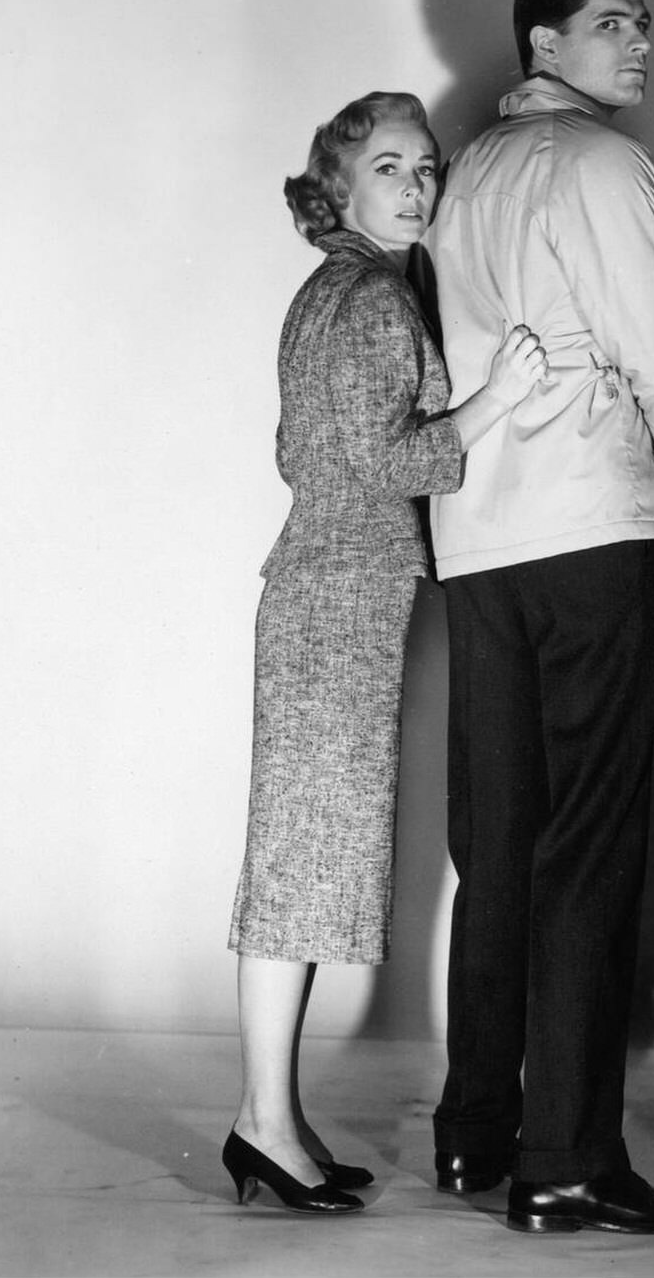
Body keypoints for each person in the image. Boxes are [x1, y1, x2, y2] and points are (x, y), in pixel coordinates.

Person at [427, 0, 654, 1235]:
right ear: (544, 43)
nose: (641, 44)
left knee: (494, 843)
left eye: (645, 23)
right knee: (590, 850)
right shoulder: (604, 168)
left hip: (479, 541)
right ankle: (566, 1161)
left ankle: (472, 1135)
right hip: (588, 529)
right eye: (612, 25)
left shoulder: (467, 174)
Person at [225, 91, 548, 1214]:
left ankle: (276, 1120)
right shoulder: (368, 298)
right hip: (338, 606)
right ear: (340, 189)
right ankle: (264, 1123)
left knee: (297, 868)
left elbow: (292, 450)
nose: (415, 187)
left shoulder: (330, 294)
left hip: (324, 598)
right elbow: (384, 464)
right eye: (390, 169)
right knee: (298, 872)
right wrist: (498, 398)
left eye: (425, 169)